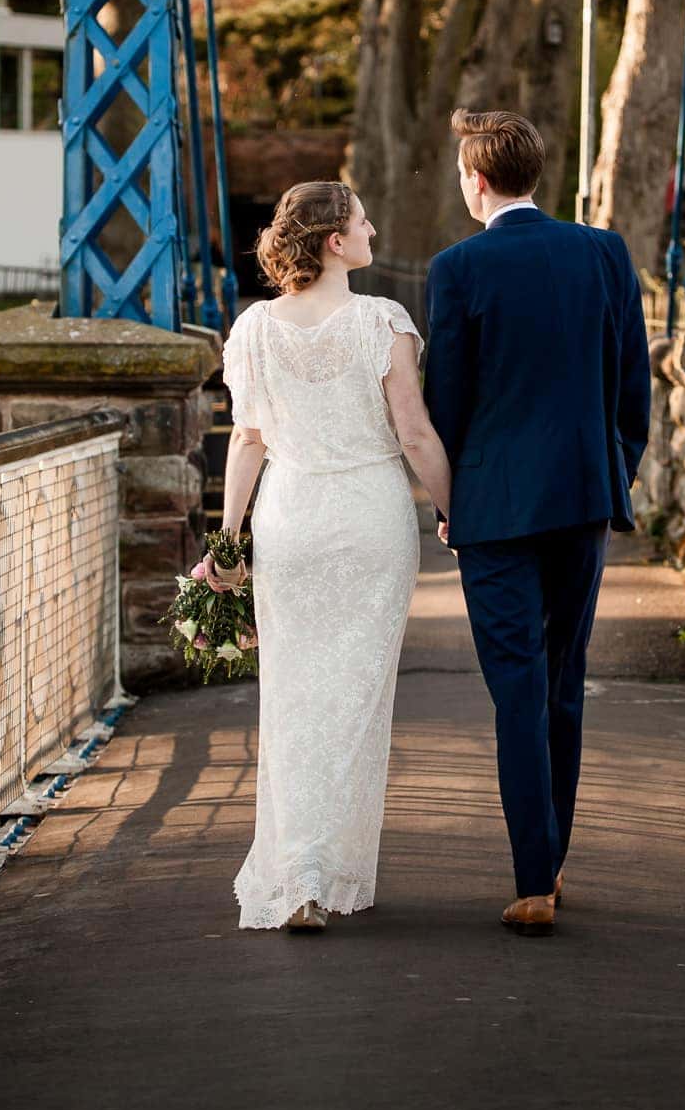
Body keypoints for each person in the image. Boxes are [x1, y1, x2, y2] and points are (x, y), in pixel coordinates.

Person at [423, 108, 652, 937]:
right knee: (561, 674)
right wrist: (609, 475)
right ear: (532, 175)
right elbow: (633, 389)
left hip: (493, 508)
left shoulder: (457, 270)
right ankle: (548, 861)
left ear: (475, 181)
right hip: (582, 501)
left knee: (516, 683)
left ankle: (534, 877)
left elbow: (445, 400)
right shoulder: (603, 253)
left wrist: (453, 504)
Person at [211, 181, 451, 932]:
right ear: (333, 243)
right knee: (354, 701)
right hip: (370, 521)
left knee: (289, 694)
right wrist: (455, 509)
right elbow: (413, 433)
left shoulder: (253, 330)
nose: (373, 228)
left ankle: (300, 869)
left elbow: (247, 441)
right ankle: (322, 862)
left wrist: (228, 535)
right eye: (360, 221)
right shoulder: (381, 322)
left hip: (289, 520)